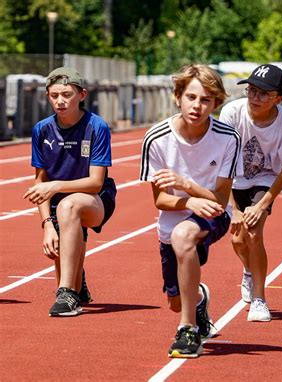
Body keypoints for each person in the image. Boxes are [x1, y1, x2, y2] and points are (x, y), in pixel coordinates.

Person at [139, 64, 240, 358]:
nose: (197, 106)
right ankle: (197, 299)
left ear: (216, 103)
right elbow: (160, 201)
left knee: (185, 235)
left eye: (206, 100)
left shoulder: (227, 138)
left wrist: (187, 186)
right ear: (178, 97)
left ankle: (188, 330)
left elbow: (220, 200)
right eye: (191, 97)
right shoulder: (156, 139)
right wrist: (187, 202)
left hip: (213, 213)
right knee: (175, 298)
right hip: (173, 217)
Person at [23, 67, 116, 317]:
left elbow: (96, 182)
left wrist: (55, 186)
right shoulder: (41, 130)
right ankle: (76, 284)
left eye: (66, 94)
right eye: (54, 96)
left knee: (69, 206)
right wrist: (46, 225)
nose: (60, 101)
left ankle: (67, 291)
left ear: (82, 94)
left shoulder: (96, 127)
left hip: (96, 199)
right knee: (60, 240)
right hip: (58, 202)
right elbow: (39, 182)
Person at [219, 64, 282, 322]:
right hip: (232, 179)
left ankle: (259, 299)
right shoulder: (232, 113)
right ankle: (248, 270)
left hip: (265, 180)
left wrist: (263, 204)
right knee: (236, 240)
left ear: (278, 98)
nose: (255, 98)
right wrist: (234, 208)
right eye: (252, 91)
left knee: (254, 233)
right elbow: (223, 161)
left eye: (264, 94)